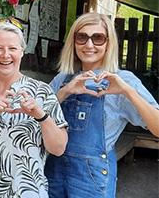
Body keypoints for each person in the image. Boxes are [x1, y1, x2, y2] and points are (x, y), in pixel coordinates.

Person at [44, 12, 159, 198]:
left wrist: (128, 91)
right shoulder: (62, 79)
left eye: (98, 38)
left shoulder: (123, 80)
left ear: (108, 44)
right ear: (73, 42)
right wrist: (65, 91)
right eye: (82, 37)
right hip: (53, 173)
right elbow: (38, 120)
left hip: (91, 180)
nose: (89, 45)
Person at [0, 20, 68, 198]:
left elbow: (58, 148)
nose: (6, 55)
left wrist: (40, 115)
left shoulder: (42, 92)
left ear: (22, 52)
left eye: (13, 49)